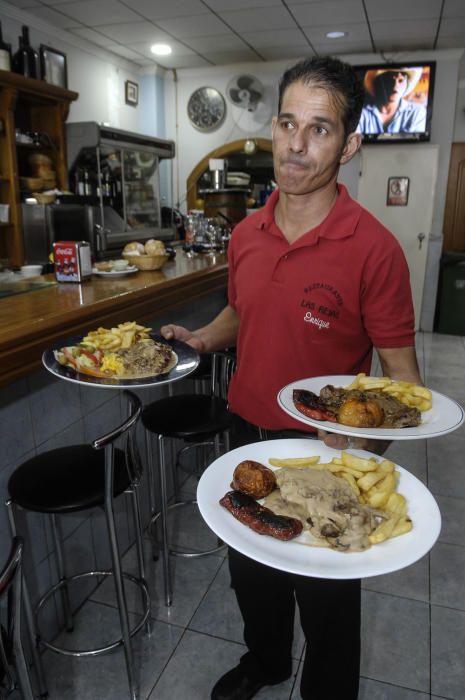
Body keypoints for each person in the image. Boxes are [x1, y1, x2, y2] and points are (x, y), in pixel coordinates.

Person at [161, 55, 423, 700]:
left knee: (328, 596)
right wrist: (202, 338)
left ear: (350, 143)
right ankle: (267, 662)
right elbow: (241, 311)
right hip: (247, 432)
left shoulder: (375, 249)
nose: (296, 146)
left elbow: (404, 383)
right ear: (272, 126)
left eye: (320, 129)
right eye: (287, 123)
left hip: (324, 451)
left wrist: (365, 454)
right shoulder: (246, 233)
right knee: (254, 573)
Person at [357, 67, 426, 134]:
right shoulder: (361, 113)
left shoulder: (416, 112)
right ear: (380, 83)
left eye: (400, 80)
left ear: (406, 85)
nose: (395, 85)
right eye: (390, 80)